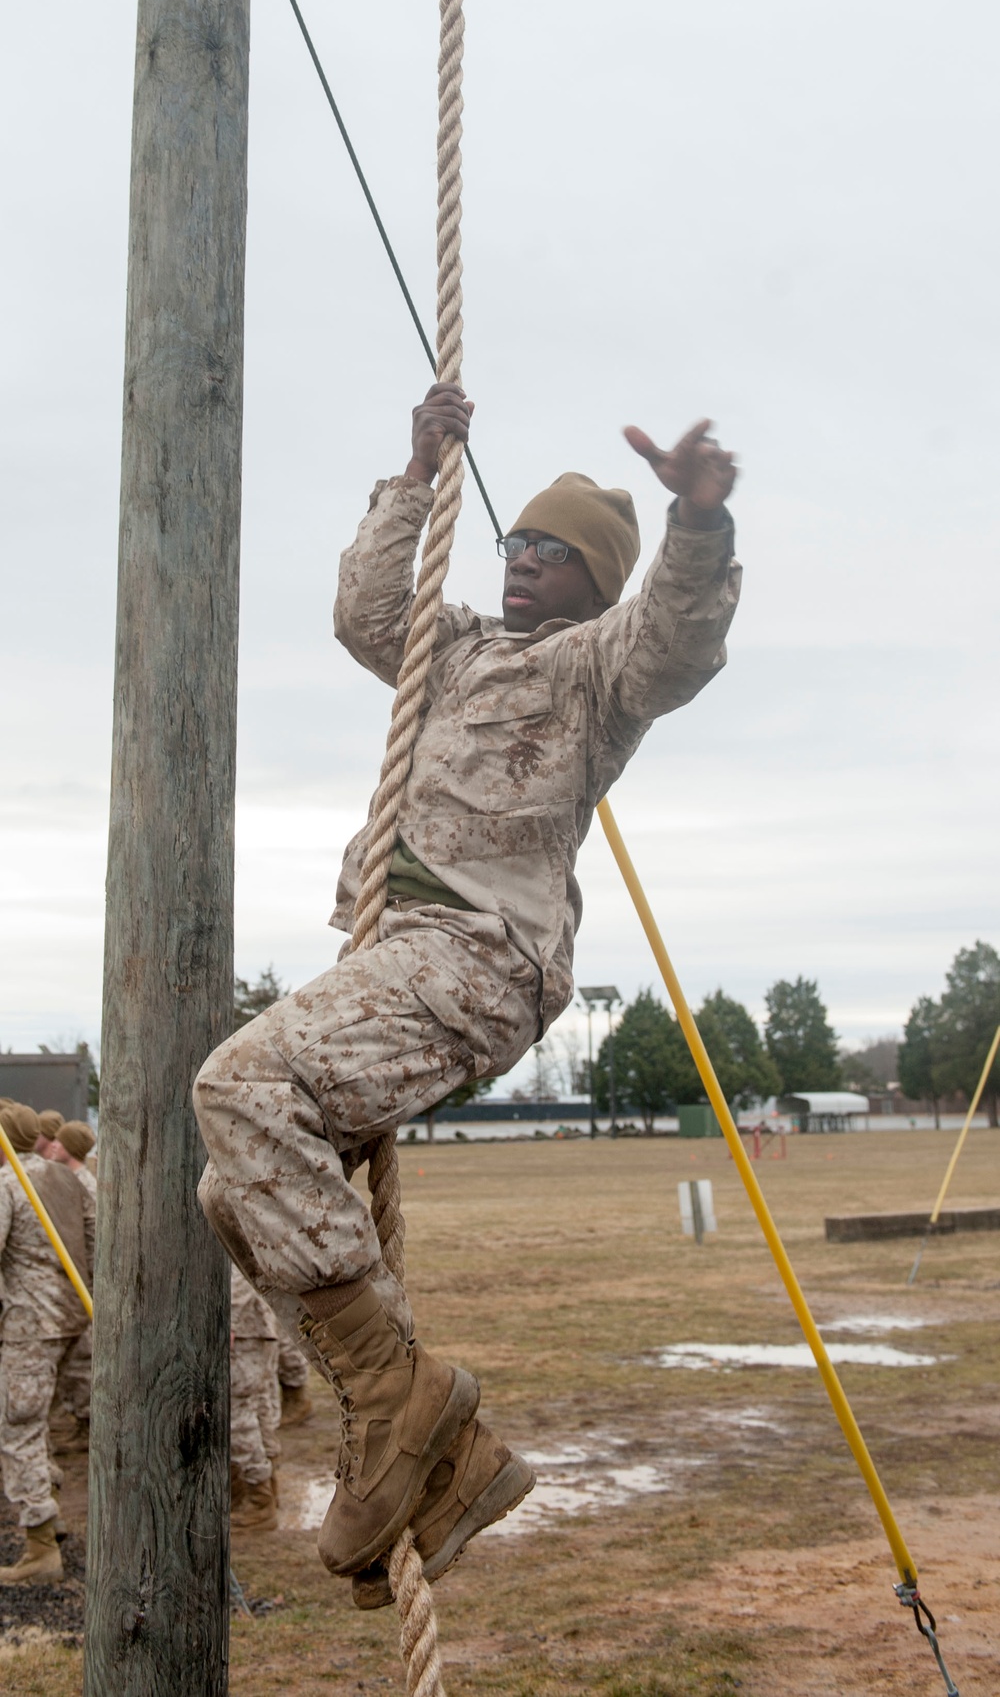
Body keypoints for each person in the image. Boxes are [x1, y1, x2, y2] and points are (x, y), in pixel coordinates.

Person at [194, 386, 740, 1600]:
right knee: (230, 1191)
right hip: (397, 947)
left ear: (595, 584)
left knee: (239, 1081)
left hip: (477, 954)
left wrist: (696, 528)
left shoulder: (592, 668)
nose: (525, 563)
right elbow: (363, 611)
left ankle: (400, 1400)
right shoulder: (451, 653)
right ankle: (439, 1456)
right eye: (517, 543)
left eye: (553, 555)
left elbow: (678, 647)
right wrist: (415, 474)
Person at [0, 1102, 93, 1582]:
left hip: (29, 1326)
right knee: (35, 1423)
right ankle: (48, 1513)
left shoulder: (8, 1186)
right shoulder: (67, 1178)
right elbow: (96, 1239)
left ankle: (40, 1545)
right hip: (72, 1319)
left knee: (18, 1428)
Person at [44, 1122, 98, 1451]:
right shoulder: (68, 1180)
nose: (52, 1145)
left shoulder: (81, 1184)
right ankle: (81, 1420)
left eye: (60, 1142)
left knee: (84, 1362)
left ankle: (90, 1423)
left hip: (83, 1282)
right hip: (76, 1283)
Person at [229, 1267, 282, 1532]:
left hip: (243, 1331)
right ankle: (268, 1486)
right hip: (257, 1325)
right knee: (258, 1406)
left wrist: (229, 1319)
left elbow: (241, 1267)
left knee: (237, 1415)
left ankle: (258, 1499)